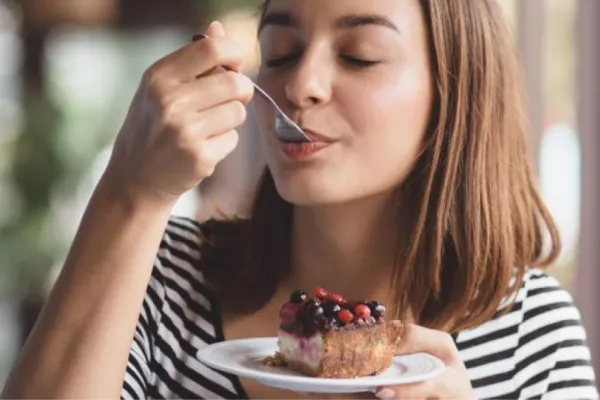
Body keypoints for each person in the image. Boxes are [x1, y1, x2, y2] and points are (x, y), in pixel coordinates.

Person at [2, 0, 598, 399]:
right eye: (280, 51)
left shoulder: (529, 331)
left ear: (454, 89)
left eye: (358, 55)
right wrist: (129, 192)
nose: (300, 85)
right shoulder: (163, 275)